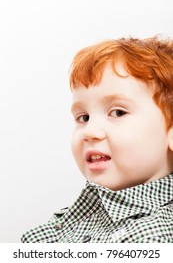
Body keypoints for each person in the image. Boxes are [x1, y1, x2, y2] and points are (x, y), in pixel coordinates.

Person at [21, 36, 173, 243]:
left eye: (118, 113)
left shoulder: (153, 236)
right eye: (83, 118)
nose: (90, 132)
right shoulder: (70, 221)